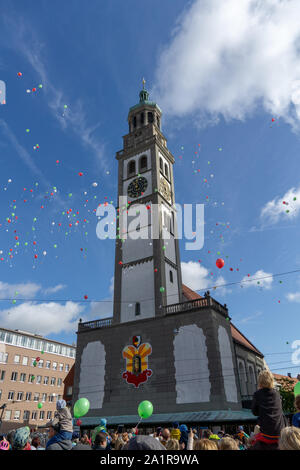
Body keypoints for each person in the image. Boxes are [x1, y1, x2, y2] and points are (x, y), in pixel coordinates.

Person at [250, 370, 286, 450]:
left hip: (266, 434)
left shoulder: (257, 394)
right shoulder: (277, 394)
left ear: (260, 381)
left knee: (253, 438)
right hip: (279, 433)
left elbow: (254, 412)